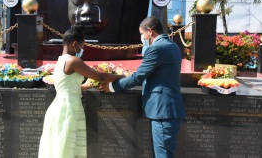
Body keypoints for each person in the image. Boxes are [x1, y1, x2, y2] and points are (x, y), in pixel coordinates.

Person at [101, 16, 186, 158]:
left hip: (163, 111)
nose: (142, 38)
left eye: (142, 34)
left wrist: (111, 87)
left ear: (150, 31)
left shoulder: (156, 49)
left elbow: (138, 77)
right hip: (169, 109)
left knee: (163, 155)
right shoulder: (172, 46)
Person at [38, 23, 124, 158]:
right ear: (74, 44)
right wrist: (123, 76)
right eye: (82, 46)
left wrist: (85, 86)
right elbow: (100, 76)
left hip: (61, 107)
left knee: (61, 149)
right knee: (65, 150)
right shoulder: (73, 61)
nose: (82, 49)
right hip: (67, 110)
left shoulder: (60, 60)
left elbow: (66, 87)